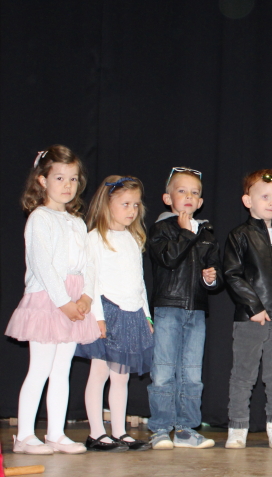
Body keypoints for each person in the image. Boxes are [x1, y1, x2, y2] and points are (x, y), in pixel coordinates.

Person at [6, 147, 98, 455]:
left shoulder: (77, 221)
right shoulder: (39, 218)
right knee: (40, 369)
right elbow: (42, 265)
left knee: (62, 370)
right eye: (59, 178)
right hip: (49, 299)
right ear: (42, 180)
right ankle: (24, 436)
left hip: (73, 298)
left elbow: (89, 264)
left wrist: (86, 296)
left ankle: (56, 433)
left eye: (73, 178)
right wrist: (64, 302)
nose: (67, 185)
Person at [222, 169, 272, 449]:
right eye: (265, 197)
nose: (271, 202)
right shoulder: (239, 235)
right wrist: (253, 306)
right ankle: (237, 428)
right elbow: (232, 274)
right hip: (250, 319)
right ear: (248, 201)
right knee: (243, 375)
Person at [75, 176, 154, 452]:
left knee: (121, 377)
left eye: (136, 204)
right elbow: (91, 281)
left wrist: (146, 315)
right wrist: (97, 317)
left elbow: (139, 281)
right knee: (99, 372)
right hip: (108, 311)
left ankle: (119, 431)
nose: (132, 210)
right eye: (125, 204)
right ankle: (96, 432)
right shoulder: (95, 238)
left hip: (131, 313)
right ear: (107, 204)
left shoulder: (133, 238)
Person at [147, 167, 221, 449]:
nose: (188, 196)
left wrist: (211, 278)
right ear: (168, 198)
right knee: (164, 371)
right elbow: (168, 258)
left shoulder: (207, 232)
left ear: (200, 201)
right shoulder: (161, 228)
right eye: (182, 191)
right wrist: (187, 232)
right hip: (168, 307)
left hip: (196, 310)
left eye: (194, 193)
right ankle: (160, 428)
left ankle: (186, 429)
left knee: (191, 373)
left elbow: (216, 272)